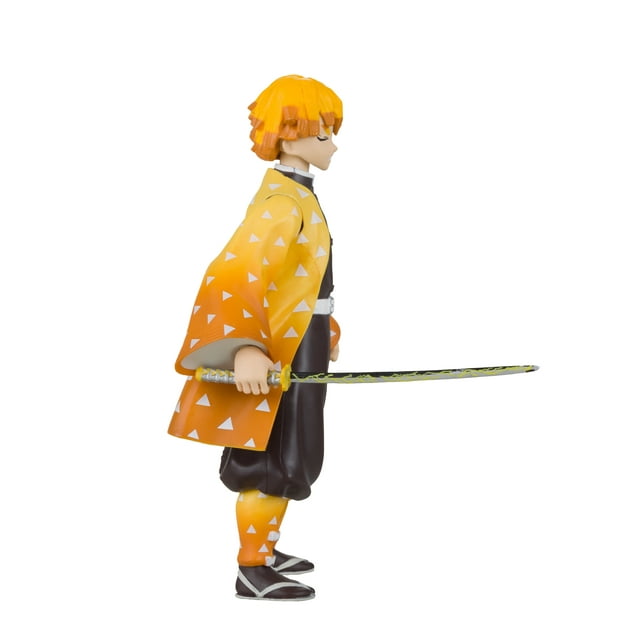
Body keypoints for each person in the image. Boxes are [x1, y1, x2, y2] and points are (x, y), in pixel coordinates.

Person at [169, 75, 343, 600]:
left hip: (303, 336)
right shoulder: (282, 203)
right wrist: (245, 347)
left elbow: (301, 276)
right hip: (279, 346)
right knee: (271, 457)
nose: (333, 145)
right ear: (290, 135)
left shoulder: (298, 196)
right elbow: (231, 274)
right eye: (323, 133)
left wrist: (325, 325)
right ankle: (252, 566)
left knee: (294, 449)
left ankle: (264, 548)